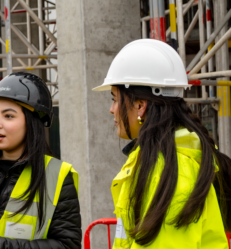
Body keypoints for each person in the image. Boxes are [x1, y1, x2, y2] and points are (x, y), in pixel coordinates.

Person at [93, 39, 231, 248]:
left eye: (114, 99)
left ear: (140, 106)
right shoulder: (169, 161)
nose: (112, 109)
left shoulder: (169, 172)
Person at [0, 72, 82, 249]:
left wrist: (0, 246)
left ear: (32, 122)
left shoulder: (57, 177)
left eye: (8, 116)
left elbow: (67, 244)